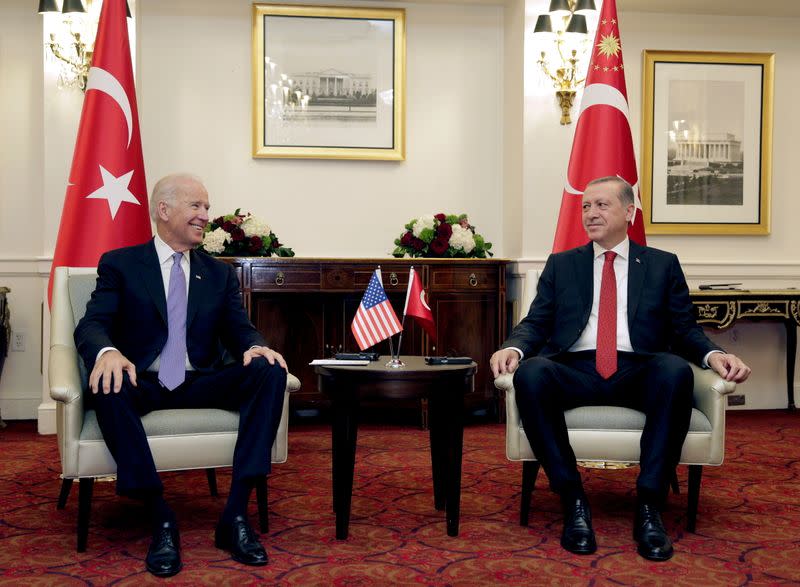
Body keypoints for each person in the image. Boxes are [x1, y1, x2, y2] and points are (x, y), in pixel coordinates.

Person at [490, 176, 750, 561]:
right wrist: (513, 346)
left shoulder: (663, 265)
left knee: (674, 370)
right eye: (585, 206)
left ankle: (649, 506)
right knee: (531, 373)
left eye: (601, 205)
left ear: (629, 212)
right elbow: (537, 322)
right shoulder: (563, 265)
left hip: (637, 369)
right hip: (576, 368)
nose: (590, 213)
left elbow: (685, 330)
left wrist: (715, 356)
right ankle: (573, 500)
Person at [74, 173, 288, 577]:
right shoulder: (121, 264)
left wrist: (254, 345)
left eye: (206, 207)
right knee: (107, 383)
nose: (205, 215)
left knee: (269, 370)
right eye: (196, 206)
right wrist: (108, 351)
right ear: (164, 210)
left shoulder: (218, 273)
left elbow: (238, 328)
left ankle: (236, 514)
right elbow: (93, 323)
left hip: (200, 380)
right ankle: (160, 516)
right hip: (147, 381)